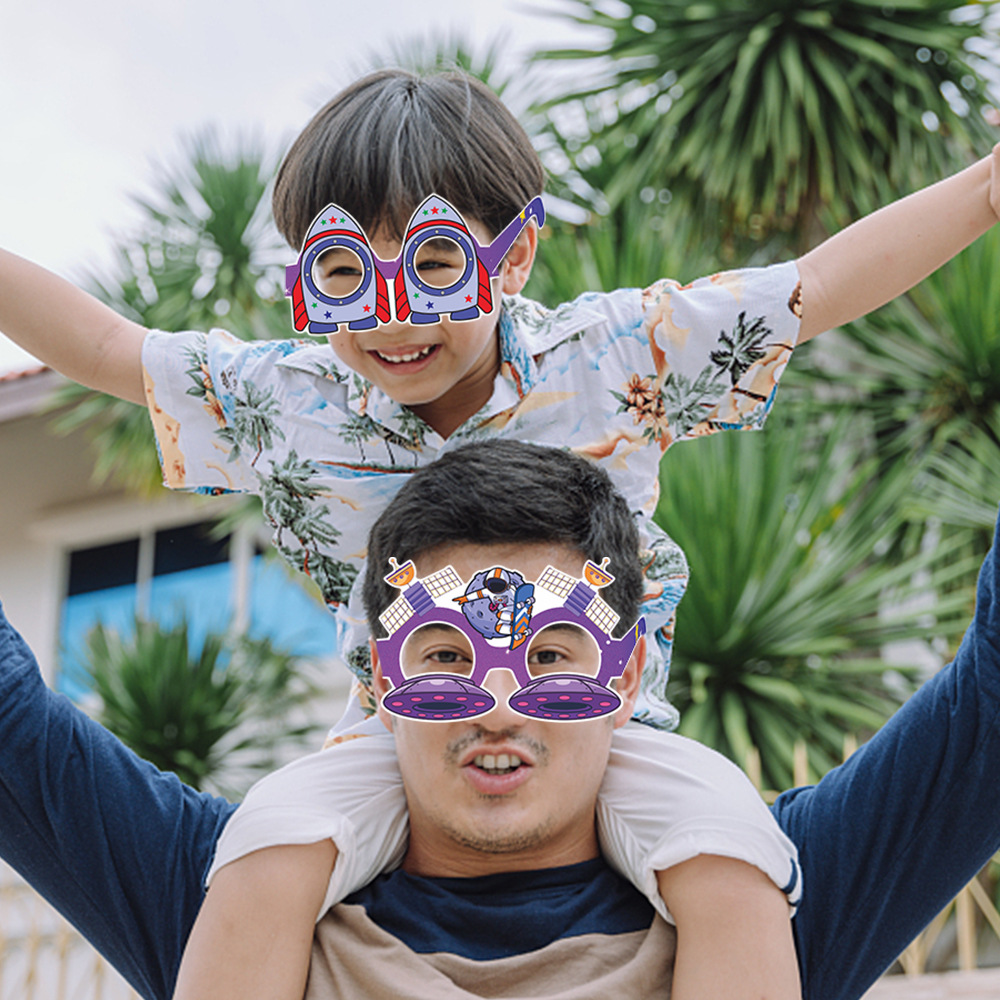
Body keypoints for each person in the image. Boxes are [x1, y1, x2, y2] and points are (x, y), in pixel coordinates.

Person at [1, 66, 999, 1000]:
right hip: (399, 729)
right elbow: (107, 347)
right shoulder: (287, 398)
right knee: (262, 851)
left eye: (433, 259)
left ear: (513, 252)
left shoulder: (610, 355)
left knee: (733, 860)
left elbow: (810, 288)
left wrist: (986, 191)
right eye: (347, 270)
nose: (391, 317)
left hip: (609, 725)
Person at [1, 440, 1000, 1000]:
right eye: (444, 656)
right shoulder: (236, 894)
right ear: (380, 678)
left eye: (551, 657)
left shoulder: (763, 902)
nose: (498, 705)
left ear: (627, 671)